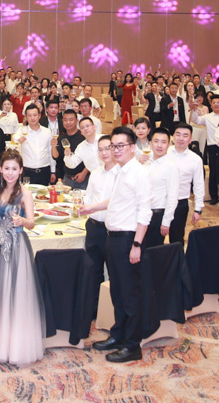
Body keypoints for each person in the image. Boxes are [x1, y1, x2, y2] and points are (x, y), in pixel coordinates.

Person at [82, 126, 151, 363]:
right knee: (118, 292)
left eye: (121, 145)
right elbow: (116, 200)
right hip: (113, 237)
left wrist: (137, 244)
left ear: (132, 147)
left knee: (130, 294)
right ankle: (118, 335)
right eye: (114, 146)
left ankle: (132, 345)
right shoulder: (121, 171)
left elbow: (145, 211)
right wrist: (92, 207)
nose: (116, 150)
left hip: (128, 239)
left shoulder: (139, 173)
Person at [0, 150, 46, 365]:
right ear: (1, 169)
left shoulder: (25, 193)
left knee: (16, 294)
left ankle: (15, 348)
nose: (10, 173)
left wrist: (22, 221)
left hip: (17, 246)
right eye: (7, 168)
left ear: (21, 170)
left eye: (15, 169)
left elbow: (32, 222)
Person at [82, 135, 114, 306]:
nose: (104, 153)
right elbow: (88, 196)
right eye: (100, 150)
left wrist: (93, 207)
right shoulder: (95, 173)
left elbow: (115, 201)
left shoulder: (122, 174)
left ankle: (112, 310)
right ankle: (95, 309)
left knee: (114, 271)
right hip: (93, 227)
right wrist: (85, 206)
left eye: (107, 148)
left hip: (111, 230)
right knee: (93, 270)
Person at [161, 123, 205, 245]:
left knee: (177, 240)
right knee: (156, 240)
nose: (181, 138)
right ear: (173, 136)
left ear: (190, 139)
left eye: (185, 136)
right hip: (160, 202)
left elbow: (199, 185)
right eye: (178, 134)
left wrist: (198, 209)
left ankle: (177, 258)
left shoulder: (195, 160)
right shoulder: (163, 153)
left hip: (180, 203)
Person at [142, 126, 174, 250]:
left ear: (169, 145)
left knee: (152, 252)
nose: (159, 145)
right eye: (156, 141)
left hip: (157, 215)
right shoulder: (147, 163)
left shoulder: (170, 166)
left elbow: (172, 197)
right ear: (150, 143)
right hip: (142, 213)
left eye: (163, 142)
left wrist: (166, 222)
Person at [13, 106, 54, 186]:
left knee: (43, 193)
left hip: (44, 171)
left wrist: (53, 171)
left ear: (39, 116)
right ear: (26, 117)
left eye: (35, 115)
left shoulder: (47, 131)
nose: (32, 118)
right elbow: (14, 137)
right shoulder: (22, 130)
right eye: (29, 115)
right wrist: (19, 139)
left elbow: (50, 152)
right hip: (27, 171)